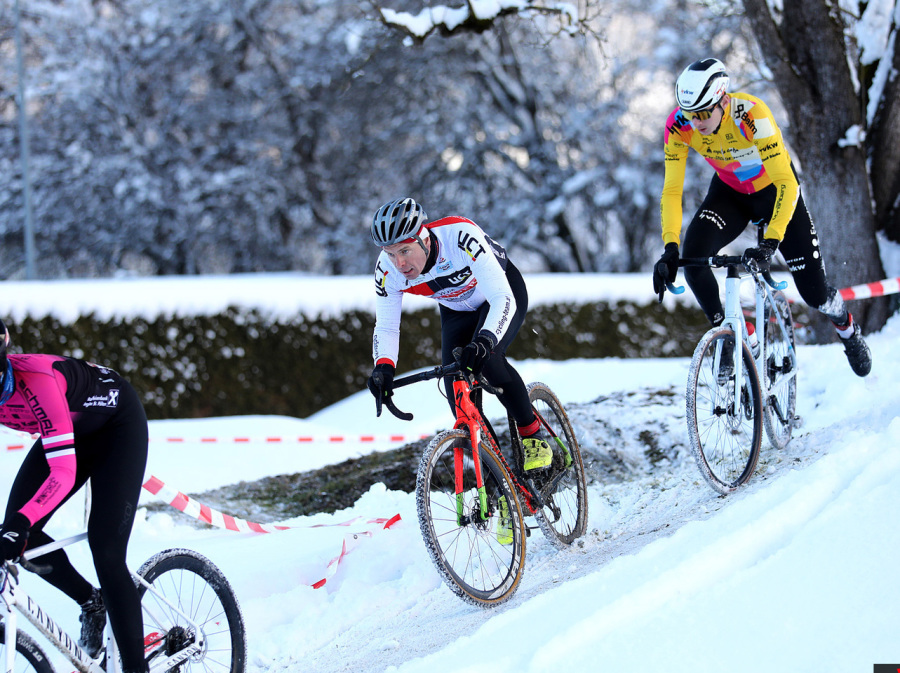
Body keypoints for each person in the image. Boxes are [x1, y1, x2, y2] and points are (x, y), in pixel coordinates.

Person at [654, 57, 872, 377]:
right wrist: (669, 247)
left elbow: (787, 182)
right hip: (730, 194)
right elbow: (672, 190)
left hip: (775, 192)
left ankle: (847, 327)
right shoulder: (678, 125)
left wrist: (771, 241)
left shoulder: (752, 115)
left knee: (815, 293)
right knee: (693, 258)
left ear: (723, 100)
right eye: (690, 113)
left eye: (703, 113)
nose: (696, 122)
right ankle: (732, 338)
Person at [0, 319, 149, 673]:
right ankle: (92, 603)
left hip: (117, 426)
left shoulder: (36, 380)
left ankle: (136, 668)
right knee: (18, 535)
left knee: (106, 550)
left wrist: (22, 520)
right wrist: (19, 524)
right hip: (71, 432)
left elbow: (63, 473)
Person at [366, 197, 552, 471]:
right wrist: (383, 367)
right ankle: (496, 474)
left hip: (499, 294)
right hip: (456, 310)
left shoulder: (460, 237)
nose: (399, 263)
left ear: (424, 239)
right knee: (456, 388)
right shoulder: (387, 271)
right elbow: (386, 326)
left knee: (489, 361)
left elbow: (502, 298)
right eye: (391, 253)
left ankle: (532, 434)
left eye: (405, 250)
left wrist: (485, 341)